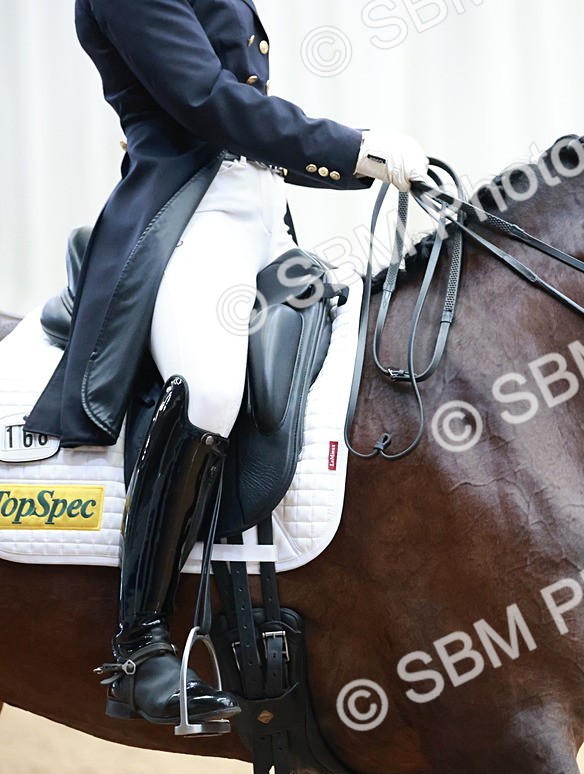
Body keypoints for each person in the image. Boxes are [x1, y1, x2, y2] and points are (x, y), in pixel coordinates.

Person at [24, 0, 428, 726]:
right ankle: (139, 648)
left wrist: (358, 164)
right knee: (208, 390)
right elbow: (205, 100)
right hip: (192, 213)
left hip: (263, 215)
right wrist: (351, 147)